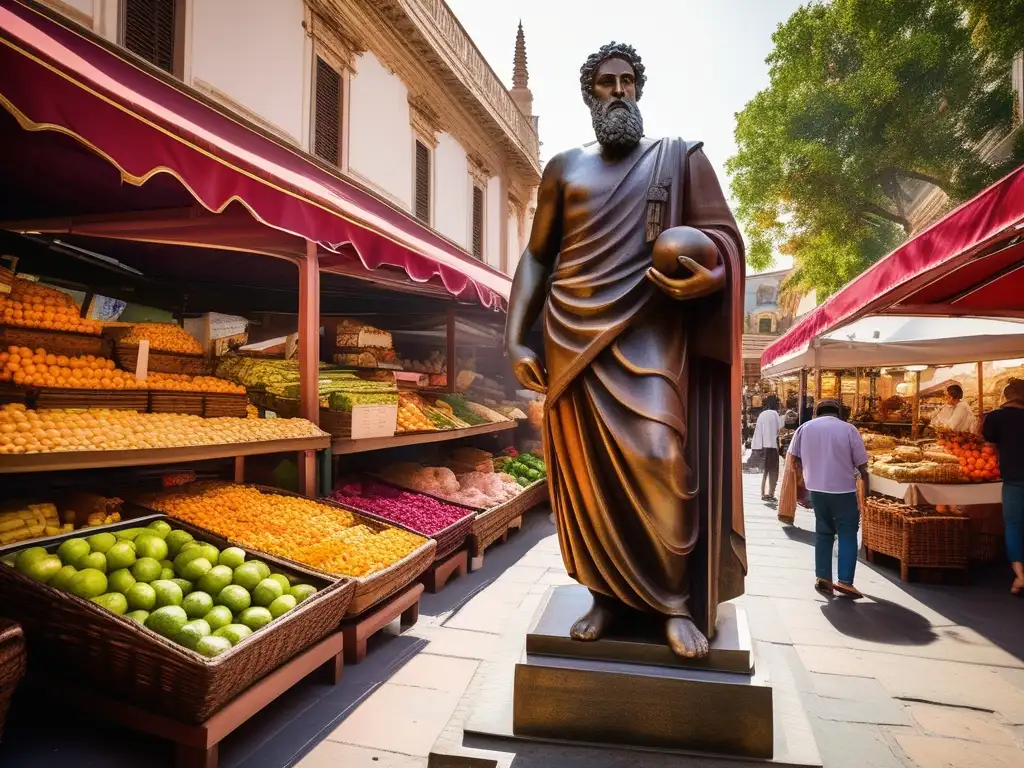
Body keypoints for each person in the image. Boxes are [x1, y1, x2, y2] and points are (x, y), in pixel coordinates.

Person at [504, 42, 746, 658]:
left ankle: (671, 600)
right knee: (588, 483)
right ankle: (604, 596)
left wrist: (714, 276)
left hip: (649, 332)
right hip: (571, 340)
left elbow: (723, 238)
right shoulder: (563, 168)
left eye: (627, 81)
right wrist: (514, 337)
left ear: (639, 90)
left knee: (662, 459)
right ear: (590, 95)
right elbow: (537, 255)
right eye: (606, 83)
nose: (618, 90)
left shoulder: (678, 159)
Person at [788, 399, 869, 598]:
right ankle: (845, 581)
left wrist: (803, 484)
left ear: (816, 413)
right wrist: (866, 491)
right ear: (838, 413)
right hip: (843, 490)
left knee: (823, 532)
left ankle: (823, 576)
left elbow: (793, 460)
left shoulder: (804, 428)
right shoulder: (849, 430)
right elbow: (862, 465)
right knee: (848, 533)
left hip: (816, 490)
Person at [981, 379, 1024, 594]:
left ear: (1006, 396)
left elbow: (988, 439)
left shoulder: (996, 417)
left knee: (1014, 525)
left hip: (1014, 476)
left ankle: (1020, 576)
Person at [751, 394, 782, 502]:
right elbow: (780, 429)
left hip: (762, 446)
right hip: (772, 446)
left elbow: (758, 431)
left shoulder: (762, 414)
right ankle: (771, 493)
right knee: (773, 471)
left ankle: (763, 493)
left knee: (765, 471)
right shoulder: (775, 414)